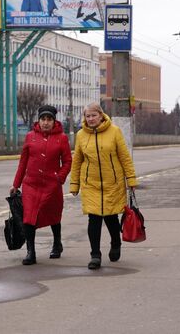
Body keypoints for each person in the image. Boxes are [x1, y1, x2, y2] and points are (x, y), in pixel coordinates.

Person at [70, 102, 138, 270]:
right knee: (93, 218)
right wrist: (74, 184)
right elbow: (77, 160)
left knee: (111, 218)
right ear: (84, 118)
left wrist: (131, 180)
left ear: (101, 115)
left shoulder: (114, 131)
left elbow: (124, 157)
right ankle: (95, 255)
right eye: (88, 116)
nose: (91, 119)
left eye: (94, 115)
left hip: (112, 184)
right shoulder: (80, 135)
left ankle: (116, 243)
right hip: (90, 184)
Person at [10, 105, 72, 265]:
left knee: (53, 216)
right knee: (28, 217)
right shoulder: (30, 136)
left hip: (52, 185)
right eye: (43, 119)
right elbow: (23, 163)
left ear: (54, 121)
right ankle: (31, 252)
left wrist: (60, 177)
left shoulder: (62, 138)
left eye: (49, 119)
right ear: (39, 120)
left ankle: (57, 244)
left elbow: (67, 161)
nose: (45, 122)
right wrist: (16, 184)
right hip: (31, 184)